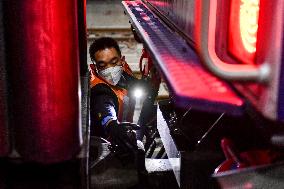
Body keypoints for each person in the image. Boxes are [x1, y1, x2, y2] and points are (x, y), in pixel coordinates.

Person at [89, 37, 147, 180]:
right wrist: (112, 125)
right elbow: (105, 109)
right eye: (102, 65)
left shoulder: (123, 71)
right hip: (105, 145)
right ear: (96, 67)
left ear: (122, 60)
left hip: (122, 132)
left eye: (114, 62)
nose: (110, 69)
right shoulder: (101, 91)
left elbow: (133, 84)